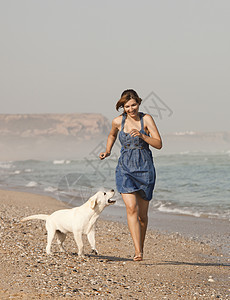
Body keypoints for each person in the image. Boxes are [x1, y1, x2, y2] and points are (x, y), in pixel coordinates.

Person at [99, 89, 162, 261]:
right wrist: (108, 150)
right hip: (125, 169)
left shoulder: (146, 119)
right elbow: (112, 135)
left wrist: (143, 135)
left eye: (133, 105)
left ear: (139, 103)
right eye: (127, 106)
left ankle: (140, 246)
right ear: (123, 107)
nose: (131, 109)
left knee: (142, 216)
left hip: (145, 168)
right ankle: (137, 252)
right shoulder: (118, 121)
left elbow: (158, 143)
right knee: (131, 208)